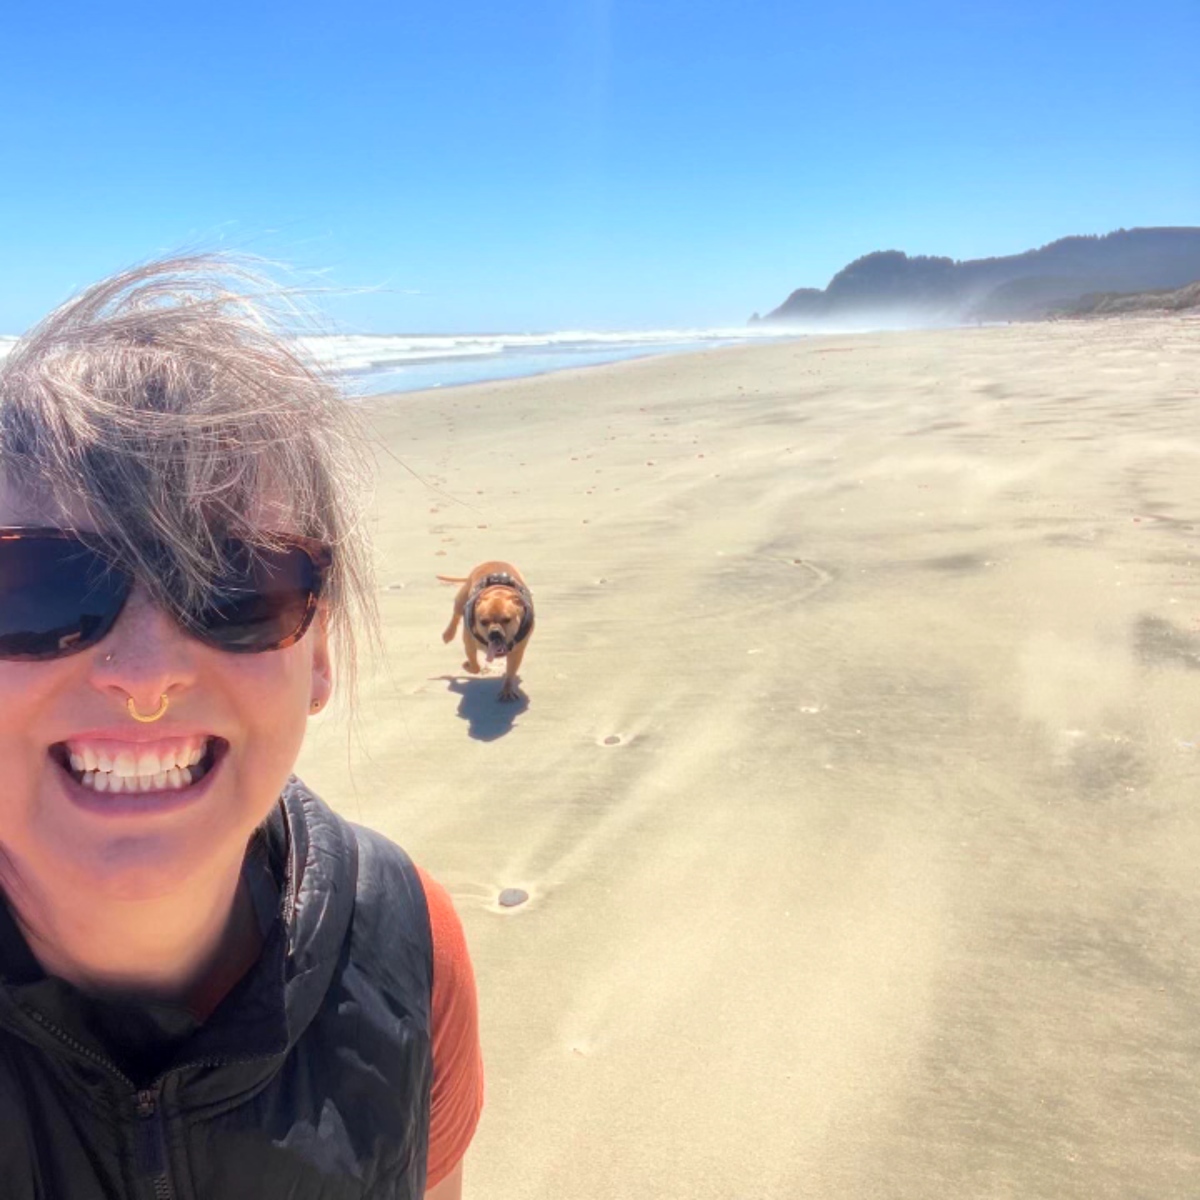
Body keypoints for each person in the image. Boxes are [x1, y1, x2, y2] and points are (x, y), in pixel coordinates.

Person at [0, 257, 483, 1198]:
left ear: (319, 655)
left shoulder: (405, 940)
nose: (144, 678)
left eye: (236, 587)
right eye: (41, 584)